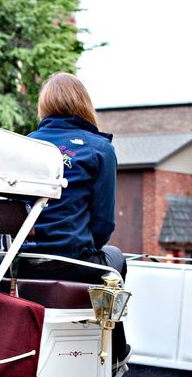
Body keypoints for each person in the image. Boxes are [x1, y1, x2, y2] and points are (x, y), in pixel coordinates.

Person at [17, 72, 124, 284]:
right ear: (83, 103)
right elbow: (103, 223)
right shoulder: (101, 149)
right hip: (71, 261)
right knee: (117, 257)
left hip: (23, 261)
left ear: (44, 105)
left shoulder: (26, 144)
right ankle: (104, 317)